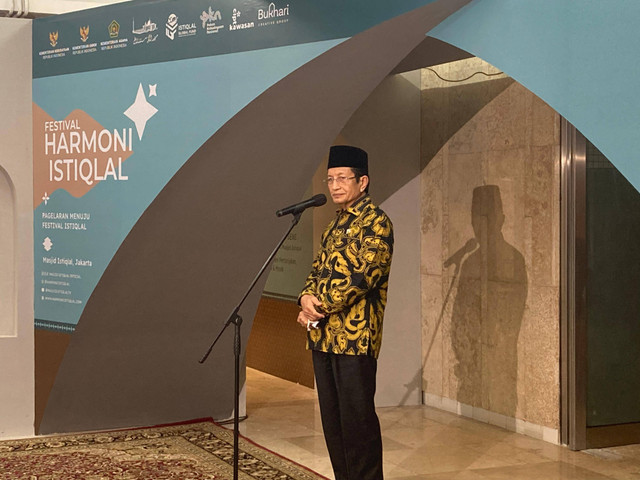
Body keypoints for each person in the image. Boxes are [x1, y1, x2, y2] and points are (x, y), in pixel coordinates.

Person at [297, 145, 394, 480]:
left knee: (358, 424)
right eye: (330, 179)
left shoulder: (377, 223)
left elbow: (362, 278)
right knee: (334, 423)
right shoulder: (334, 225)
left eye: (342, 178)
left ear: (362, 181)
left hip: (355, 340)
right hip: (323, 337)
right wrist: (305, 298)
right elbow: (317, 270)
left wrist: (318, 304)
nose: (334, 185)